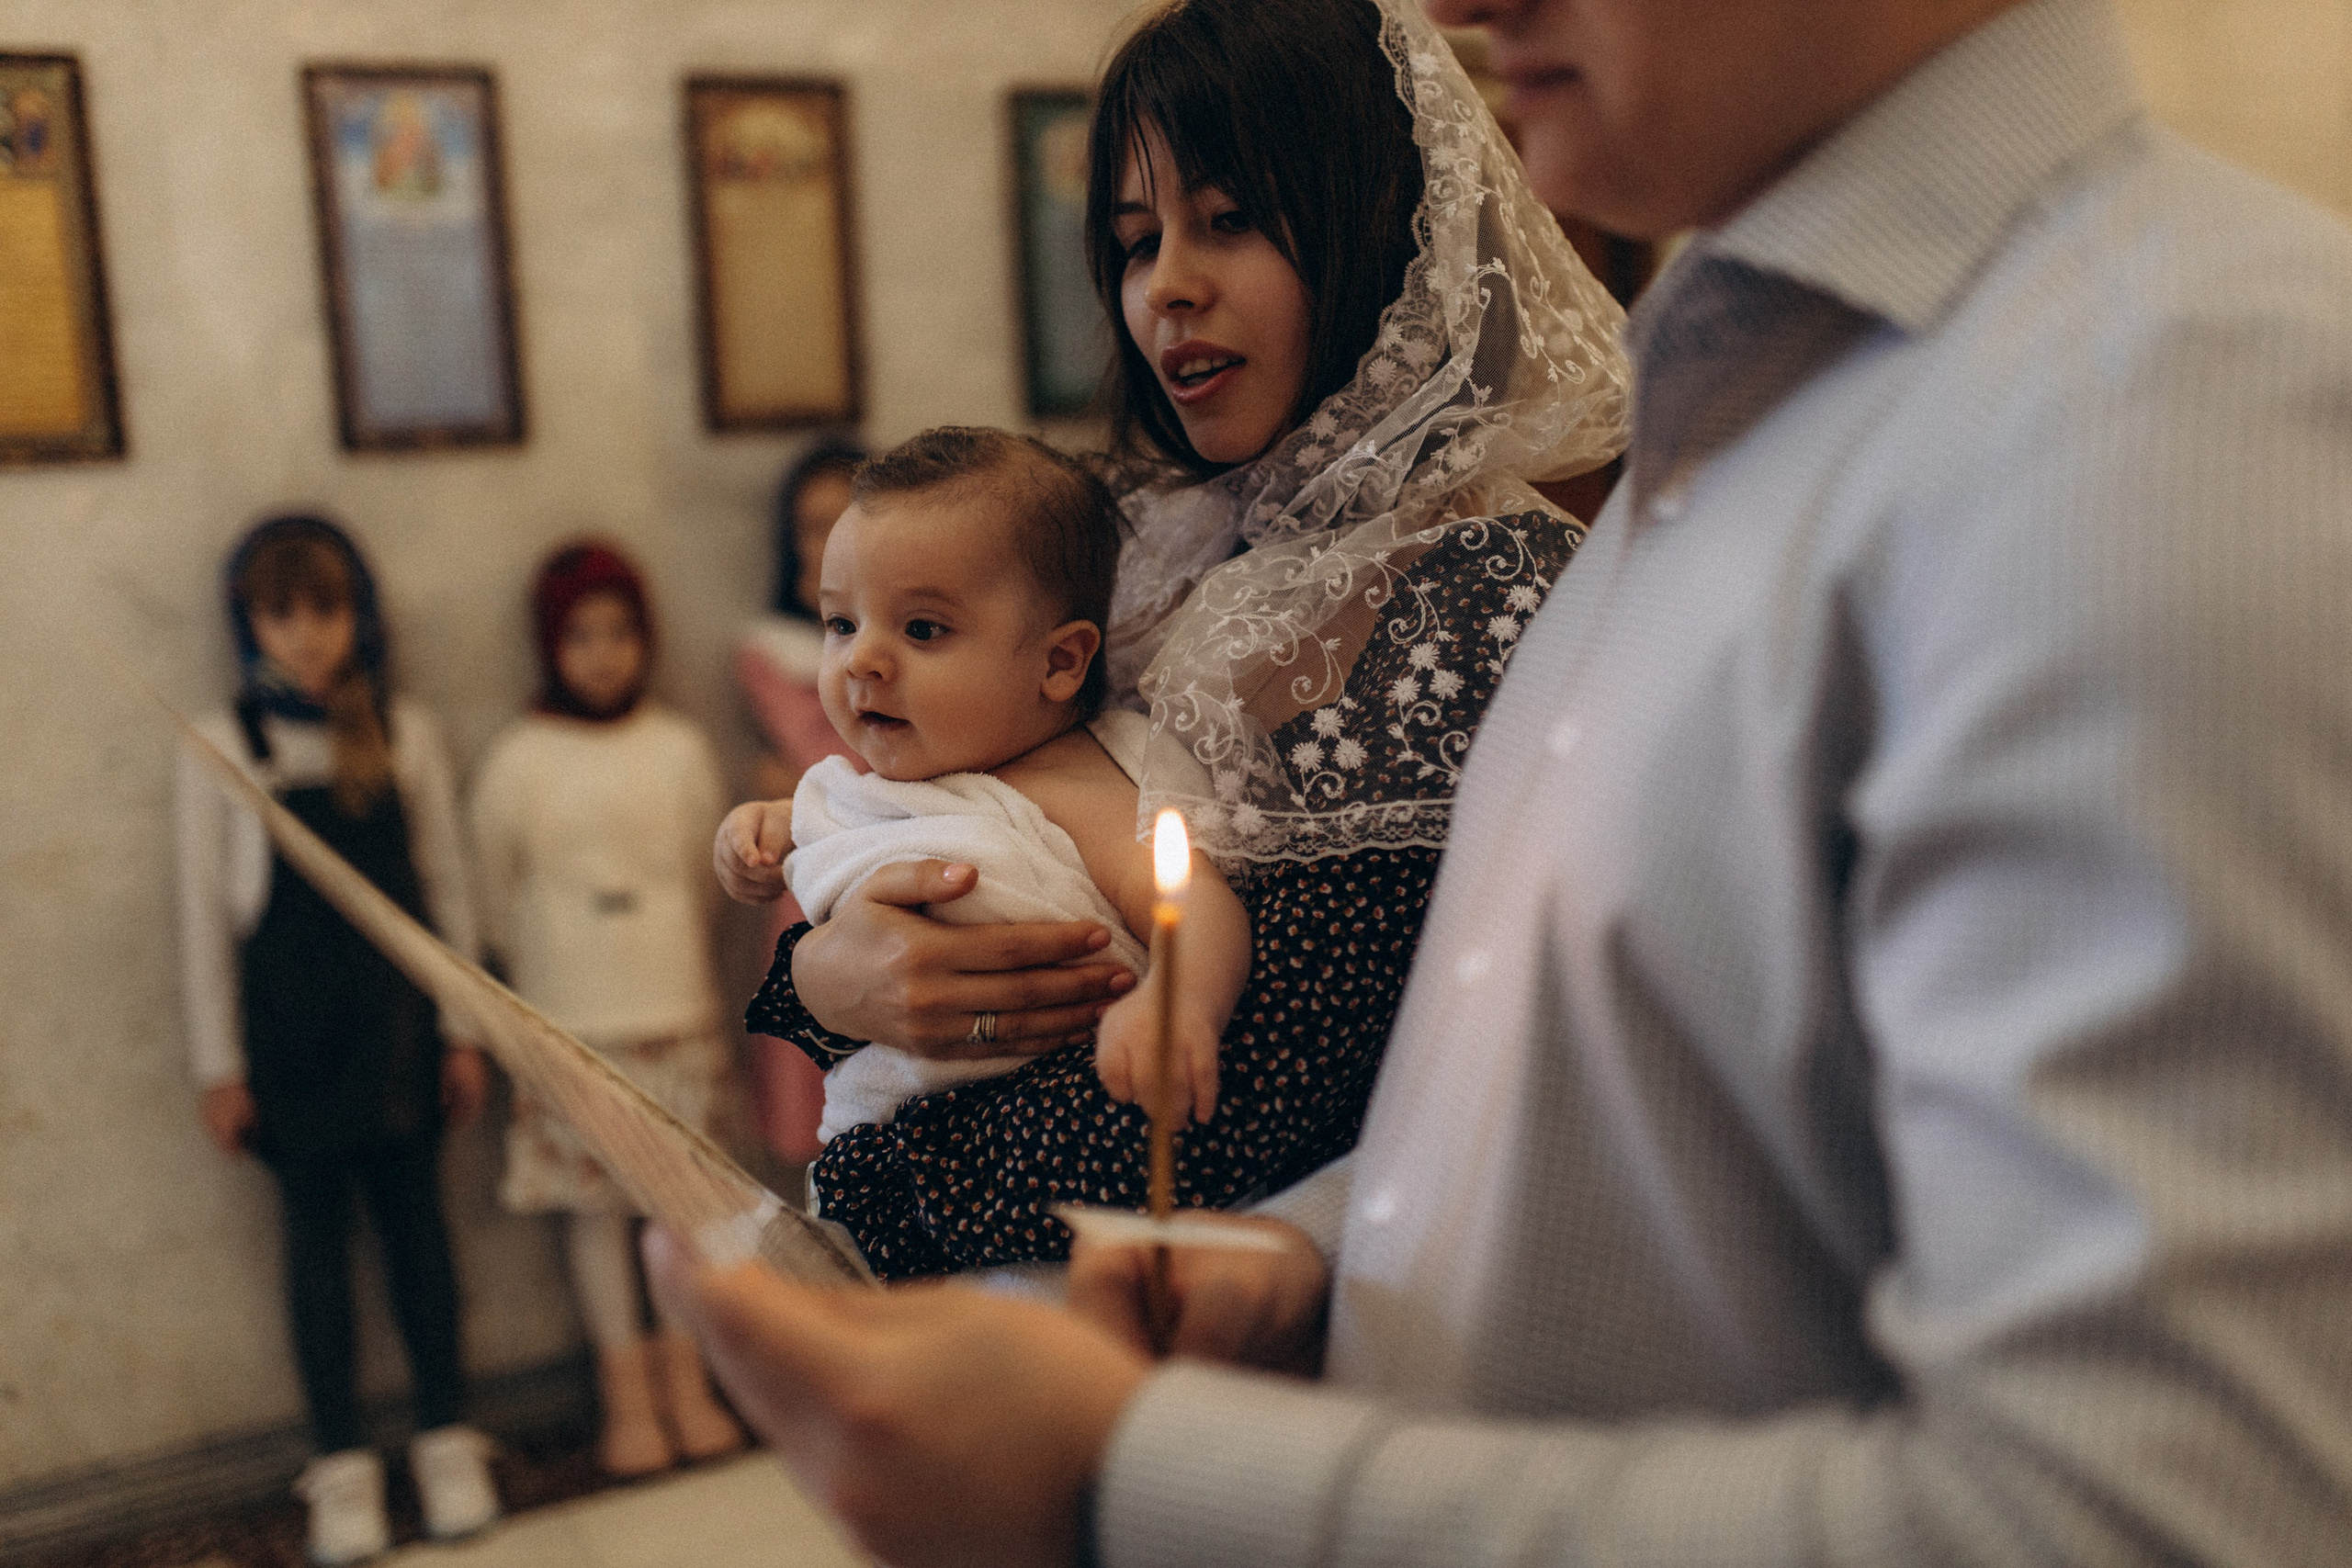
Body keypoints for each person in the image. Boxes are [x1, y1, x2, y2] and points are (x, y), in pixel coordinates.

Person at [646, 0, 2352, 1563]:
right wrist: (1305, 1251)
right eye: (1136, 237)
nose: (1456, 5)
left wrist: (1125, 1471)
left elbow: (2156, 1503)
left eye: (1233, 220)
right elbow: (1560, 1088)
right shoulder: (1711, 415)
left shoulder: (2167, 410)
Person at [727, 0, 1628, 1279]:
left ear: (1376, 224)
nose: (1170, 288)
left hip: (1281, 1298)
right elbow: (945, 830)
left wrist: (882, 1186)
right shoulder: (1148, 540)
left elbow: (1265, 1097)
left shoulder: (1481, 589)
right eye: (1137, 242)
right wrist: (828, 980)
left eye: (1232, 220)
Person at [717, 427, 1249, 1166]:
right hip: (882, 1150)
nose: (862, 658)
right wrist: (768, 830)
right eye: (841, 623)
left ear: (1059, 662)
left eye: (922, 628)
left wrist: (1179, 1001)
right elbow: (842, 819)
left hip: (1033, 1152)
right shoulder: (894, 778)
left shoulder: (1073, 786)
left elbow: (1194, 901)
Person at [175, 513, 502, 1564]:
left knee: (418, 1235)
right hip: (289, 1044)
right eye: (281, 614)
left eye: (325, 609)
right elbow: (204, 922)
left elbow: (447, 891)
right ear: (249, 624)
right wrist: (219, 1067)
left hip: (399, 1032)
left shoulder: (405, 731)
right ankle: (342, 1469)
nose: (305, 635)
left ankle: (446, 1442)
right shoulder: (222, 743)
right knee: (315, 1250)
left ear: (359, 614)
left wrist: (462, 1030)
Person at [469, 541, 747, 1477]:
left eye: (621, 632)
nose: (603, 654)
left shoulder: (679, 748)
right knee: (592, 1211)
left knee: (679, 1206)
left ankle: (688, 1380)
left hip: (674, 1003)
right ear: (551, 644)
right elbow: (494, 893)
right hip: (570, 1019)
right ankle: (625, 1395)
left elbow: (705, 879)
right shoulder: (518, 759)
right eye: (581, 635)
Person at [734, 435, 865, 1164]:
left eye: (848, 516)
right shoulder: (772, 652)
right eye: (813, 525)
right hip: (814, 877)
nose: (832, 538)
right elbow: (831, 757)